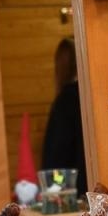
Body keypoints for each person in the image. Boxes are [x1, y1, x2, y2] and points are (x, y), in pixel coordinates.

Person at [41, 37, 88, 197]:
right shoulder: (88, 93)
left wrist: (55, 193)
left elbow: (57, 153)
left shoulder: (66, 99)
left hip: (75, 191)